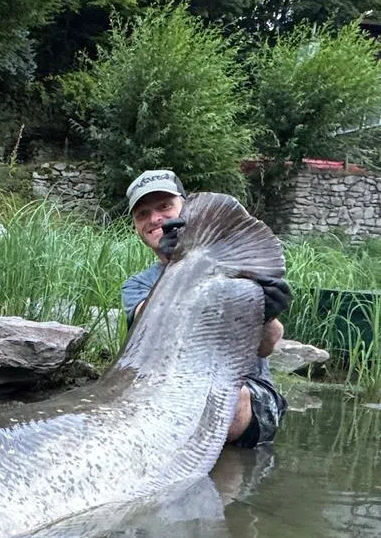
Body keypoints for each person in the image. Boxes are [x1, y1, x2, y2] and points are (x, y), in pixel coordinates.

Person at [121, 169, 290, 448]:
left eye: (164, 206)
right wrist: (174, 267)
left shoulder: (233, 264)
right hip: (167, 392)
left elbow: (267, 345)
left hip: (243, 392)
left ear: (185, 207)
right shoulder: (136, 285)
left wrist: (267, 314)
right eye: (143, 214)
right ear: (135, 226)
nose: (154, 219)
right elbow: (148, 326)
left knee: (224, 400)